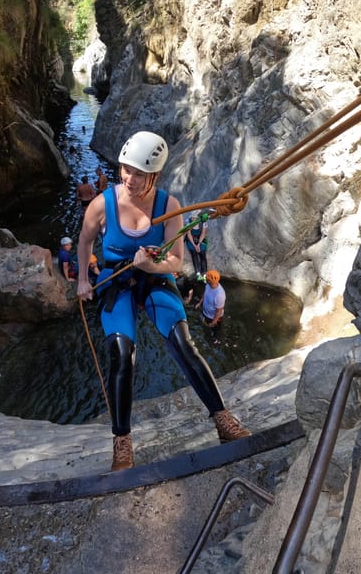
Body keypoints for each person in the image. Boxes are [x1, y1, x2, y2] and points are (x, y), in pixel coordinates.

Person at [77, 131, 250, 471]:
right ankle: (122, 441)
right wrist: (83, 279)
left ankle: (222, 418)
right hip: (117, 281)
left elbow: (176, 262)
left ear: (154, 175)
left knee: (183, 344)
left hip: (155, 276)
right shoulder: (103, 204)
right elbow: (84, 241)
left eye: (138, 173)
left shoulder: (168, 206)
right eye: (125, 169)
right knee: (121, 353)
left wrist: (150, 265)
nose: (129, 178)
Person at [184, 210, 208, 281]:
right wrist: (195, 245)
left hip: (200, 238)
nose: (193, 219)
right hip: (191, 239)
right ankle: (198, 273)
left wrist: (199, 244)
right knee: (194, 254)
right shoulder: (187, 221)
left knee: (202, 254)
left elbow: (203, 233)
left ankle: (204, 274)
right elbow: (189, 234)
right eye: (192, 217)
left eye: (195, 218)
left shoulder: (203, 222)